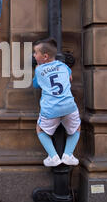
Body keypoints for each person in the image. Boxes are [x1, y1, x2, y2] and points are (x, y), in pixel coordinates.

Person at [32, 38, 81, 167]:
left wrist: (38, 69)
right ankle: (68, 154)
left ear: (45, 56)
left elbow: (36, 85)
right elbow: (70, 78)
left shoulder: (39, 70)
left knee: (40, 129)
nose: (34, 55)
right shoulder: (64, 66)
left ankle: (53, 157)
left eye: (35, 53)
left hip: (51, 109)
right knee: (76, 127)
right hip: (69, 106)